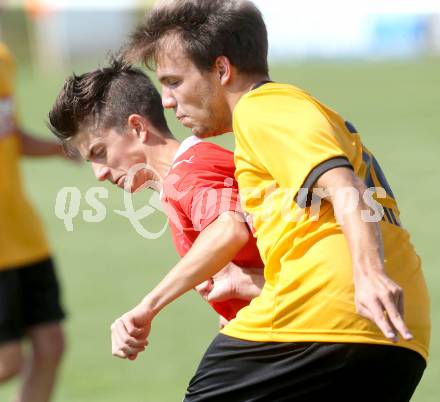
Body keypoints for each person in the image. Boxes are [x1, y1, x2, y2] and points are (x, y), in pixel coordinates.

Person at [118, 0, 431, 400]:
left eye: (174, 82)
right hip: (400, 338)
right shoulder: (300, 114)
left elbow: (345, 185)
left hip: (320, 320)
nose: (166, 100)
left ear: (222, 69)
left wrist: (368, 275)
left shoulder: (262, 108)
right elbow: (320, 225)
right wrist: (242, 280)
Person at [48, 59, 264, 336]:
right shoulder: (185, 175)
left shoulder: (189, 172)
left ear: (137, 127)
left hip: (299, 337)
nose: (99, 173)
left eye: (100, 152)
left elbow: (228, 231)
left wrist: (148, 305)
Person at [0, 41, 66, 402]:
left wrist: (60, 148)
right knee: (7, 361)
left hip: (22, 234)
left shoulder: (4, 58)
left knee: (50, 345)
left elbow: (10, 137)